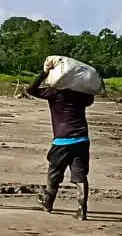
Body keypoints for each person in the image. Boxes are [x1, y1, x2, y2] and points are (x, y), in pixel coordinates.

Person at [25, 59, 95, 220]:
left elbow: (31, 89)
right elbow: (91, 98)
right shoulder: (81, 95)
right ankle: (82, 209)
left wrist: (44, 73)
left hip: (62, 140)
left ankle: (48, 202)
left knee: (54, 173)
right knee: (80, 175)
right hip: (82, 139)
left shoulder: (53, 92)